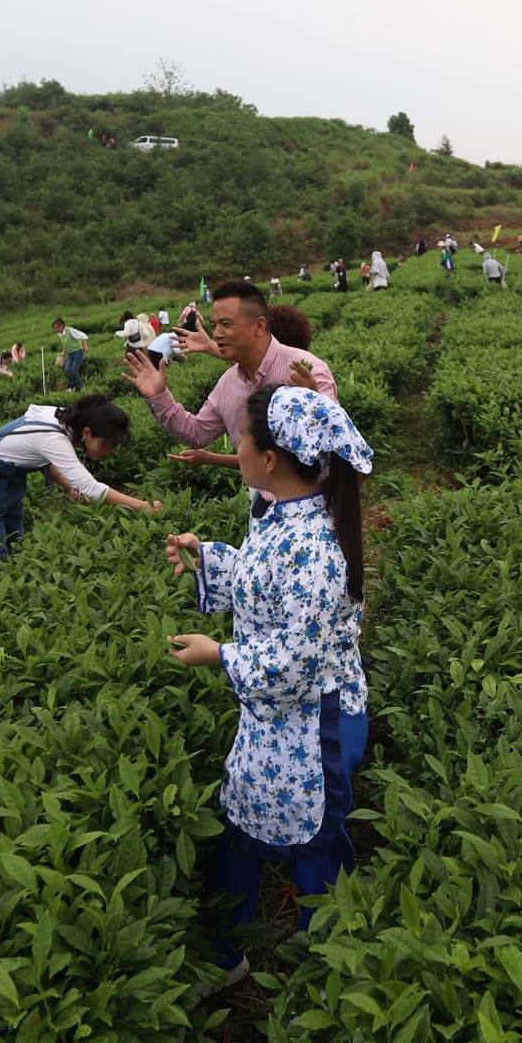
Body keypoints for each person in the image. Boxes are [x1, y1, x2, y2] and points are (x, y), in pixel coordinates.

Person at [163, 386, 373, 985]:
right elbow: (264, 584)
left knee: (315, 846)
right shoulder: (283, 512)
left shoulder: (315, 549)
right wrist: (208, 557)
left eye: (241, 441)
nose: (235, 449)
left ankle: (329, 966)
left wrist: (219, 655)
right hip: (277, 718)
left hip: (314, 724)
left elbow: (292, 662)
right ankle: (226, 956)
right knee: (242, 830)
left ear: (271, 458)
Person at [127, 281, 337, 498]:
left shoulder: (309, 371)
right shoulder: (228, 384)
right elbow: (196, 433)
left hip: (317, 505)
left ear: (260, 326)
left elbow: (336, 448)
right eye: (214, 325)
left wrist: (314, 404)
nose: (217, 334)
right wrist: (160, 397)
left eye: (226, 324)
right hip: (264, 506)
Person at [0, 396, 163, 561]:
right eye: (106, 443)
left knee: (16, 547)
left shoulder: (63, 418)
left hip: (4, 483)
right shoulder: (55, 437)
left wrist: (69, 486)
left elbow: (47, 457)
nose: (108, 451)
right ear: (87, 432)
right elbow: (92, 488)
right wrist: (142, 505)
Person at [54, 318, 88, 390]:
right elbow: (65, 343)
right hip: (70, 354)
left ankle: (80, 387)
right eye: (55, 328)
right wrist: (64, 352)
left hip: (77, 352)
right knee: (67, 369)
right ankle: (73, 385)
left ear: (62, 326)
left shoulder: (70, 331)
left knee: (74, 371)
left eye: (57, 328)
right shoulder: (59, 334)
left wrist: (85, 346)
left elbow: (83, 336)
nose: (56, 330)